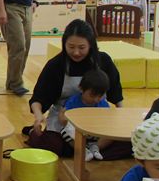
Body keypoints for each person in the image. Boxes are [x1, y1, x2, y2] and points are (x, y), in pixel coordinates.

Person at [27, 19, 126, 158]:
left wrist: (123, 118)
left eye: (82, 47)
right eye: (71, 47)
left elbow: (116, 93)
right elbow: (39, 98)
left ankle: (90, 149)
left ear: (91, 44)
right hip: (65, 121)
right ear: (64, 44)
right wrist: (38, 117)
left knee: (130, 143)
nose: (76, 52)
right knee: (53, 146)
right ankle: (88, 150)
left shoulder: (103, 61)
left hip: (98, 118)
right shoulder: (56, 65)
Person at [59, 69, 110, 162]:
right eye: (92, 95)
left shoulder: (103, 104)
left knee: (110, 134)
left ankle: (95, 147)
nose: (96, 100)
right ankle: (84, 150)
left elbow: (108, 120)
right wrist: (64, 120)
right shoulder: (73, 101)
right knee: (64, 132)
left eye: (100, 96)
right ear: (81, 89)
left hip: (96, 132)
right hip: (79, 132)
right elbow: (63, 117)